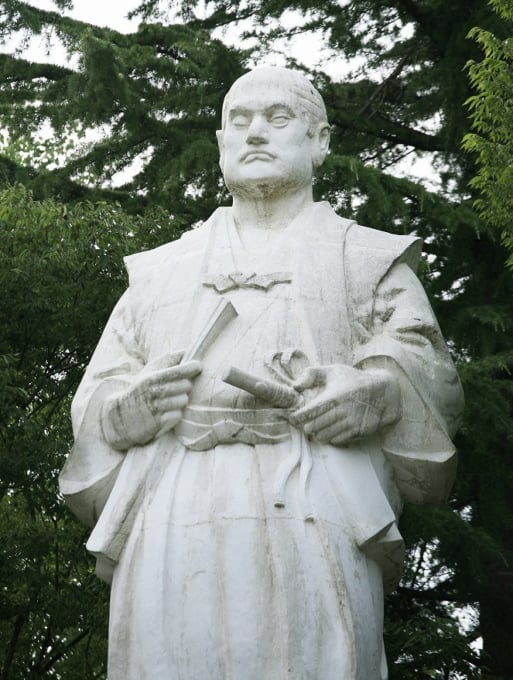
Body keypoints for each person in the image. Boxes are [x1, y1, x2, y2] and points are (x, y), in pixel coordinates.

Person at [60, 67, 463, 679]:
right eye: (239, 121)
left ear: (319, 141)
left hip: (315, 493)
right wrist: (122, 413)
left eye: (277, 119)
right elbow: (101, 390)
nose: (255, 133)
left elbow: (427, 365)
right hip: (174, 500)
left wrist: (377, 392)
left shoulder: (366, 258)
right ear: (221, 143)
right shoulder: (159, 273)